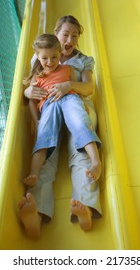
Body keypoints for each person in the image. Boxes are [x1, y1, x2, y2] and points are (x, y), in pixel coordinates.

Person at [18, 15, 103, 239]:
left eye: (75, 35)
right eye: (65, 34)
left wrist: (68, 85)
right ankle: (35, 215)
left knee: (80, 151)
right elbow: (29, 88)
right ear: (56, 33)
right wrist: (27, 94)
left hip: (78, 106)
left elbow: (88, 88)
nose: (70, 39)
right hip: (50, 108)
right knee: (47, 152)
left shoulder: (83, 60)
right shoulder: (41, 57)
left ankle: (86, 207)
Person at [24, 33, 101, 189]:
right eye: (45, 58)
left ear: (60, 54)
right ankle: (34, 173)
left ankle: (95, 162)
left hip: (69, 98)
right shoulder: (37, 77)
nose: (50, 62)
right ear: (38, 57)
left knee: (80, 122)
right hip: (49, 104)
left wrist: (81, 104)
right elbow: (32, 102)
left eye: (54, 57)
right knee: (44, 133)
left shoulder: (68, 68)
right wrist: (36, 120)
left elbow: (74, 86)